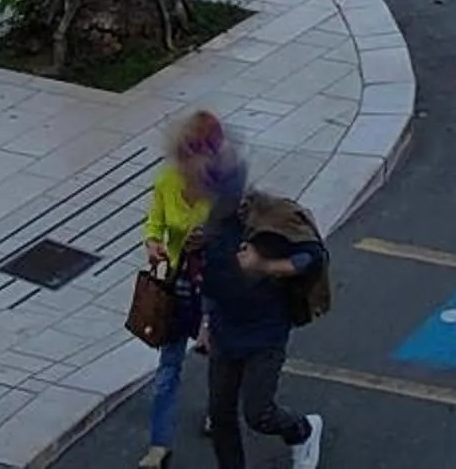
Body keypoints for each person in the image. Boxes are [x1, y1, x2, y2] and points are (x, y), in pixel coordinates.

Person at [192, 176, 324, 469]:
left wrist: (264, 265)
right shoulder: (213, 230)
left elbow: (312, 257)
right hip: (226, 330)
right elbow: (210, 280)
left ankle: (302, 430)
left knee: (259, 413)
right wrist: (204, 324)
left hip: (266, 333)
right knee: (220, 412)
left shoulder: (273, 220)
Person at [136, 110, 229, 469]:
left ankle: (216, 412)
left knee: (219, 360)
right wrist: (153, 243)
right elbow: (155, 221)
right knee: (167, 368)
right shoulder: (167, 181)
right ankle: (159, 445)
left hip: (215, 287)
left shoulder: (225, 192)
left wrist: (211, 237)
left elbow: (239, 238)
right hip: (178, 284)